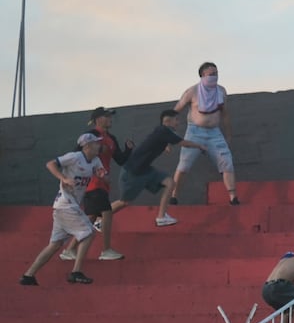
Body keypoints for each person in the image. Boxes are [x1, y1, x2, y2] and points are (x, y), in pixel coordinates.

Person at [19, 133, 107, 285]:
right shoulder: (74, 157)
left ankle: (28, 276)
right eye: (95, 143)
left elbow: (104, 177)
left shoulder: (96, 160)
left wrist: (102, 175)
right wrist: (64, 178)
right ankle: (76, 272)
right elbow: (50, 164)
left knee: (55, 244)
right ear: (86, 146)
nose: (99, 145)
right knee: (88, 232)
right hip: (66, 204)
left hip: (65, 207)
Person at [61, 107, 133, 261]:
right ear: (98, 119)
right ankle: (106, 250)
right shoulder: (91, 136)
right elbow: (77, 154)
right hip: (93, 182)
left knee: (91, 218)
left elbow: (120, 160)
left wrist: (128, 150)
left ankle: (69, 250)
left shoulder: (111, 138)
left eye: (110, 116)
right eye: (107, 116)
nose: (110, 119)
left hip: (102, 183)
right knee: (106, 213)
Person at [119, 109, 208, 227]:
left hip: (145, 170)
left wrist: (167, 145)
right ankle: (101, 217)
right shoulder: (163, 131)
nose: (178, 123)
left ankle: (161, 217)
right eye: (176, 120)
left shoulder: (161, 131)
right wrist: (200, 146)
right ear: (167, 121)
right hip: (133, 172)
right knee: (125, 202)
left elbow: (165, 139)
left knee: (170, 183)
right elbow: (183, 143)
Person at [170, 61, 239, 206]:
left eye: (216, 73)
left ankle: (233, 197)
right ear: (202, 75)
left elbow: (225, 114)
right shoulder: (192, 91)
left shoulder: (221, 91)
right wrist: (168, 133)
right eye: (211, 74)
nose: (215, 76)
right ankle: (174, 196)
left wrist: (229, 134)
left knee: (227, 163)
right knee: (184, 165)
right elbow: (176, 111)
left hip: (214, 133)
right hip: (194, 132)